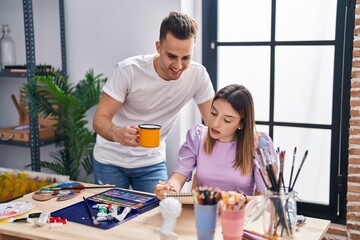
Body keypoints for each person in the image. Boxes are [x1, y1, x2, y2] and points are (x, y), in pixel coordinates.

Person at [92, 11, 214, 193]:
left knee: (160, 214)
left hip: (151, 161)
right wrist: (118, 134)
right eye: (172, 56)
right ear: (158, 47)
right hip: (110, 160)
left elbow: (214, 122)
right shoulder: (129, 71)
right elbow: (99, 120)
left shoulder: (198, 75)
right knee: (111, 218)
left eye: (186, 58)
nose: (179, 66)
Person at [154, 84, 276, 200]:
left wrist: (242, 199)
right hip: (203, 213)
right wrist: (169, 189)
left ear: (241, 124)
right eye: (213, 113)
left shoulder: (259, 145)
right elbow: (178, 177)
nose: (214, 123)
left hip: (239, 217)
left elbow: (268, 198)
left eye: (227, 120)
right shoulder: (197, 136)